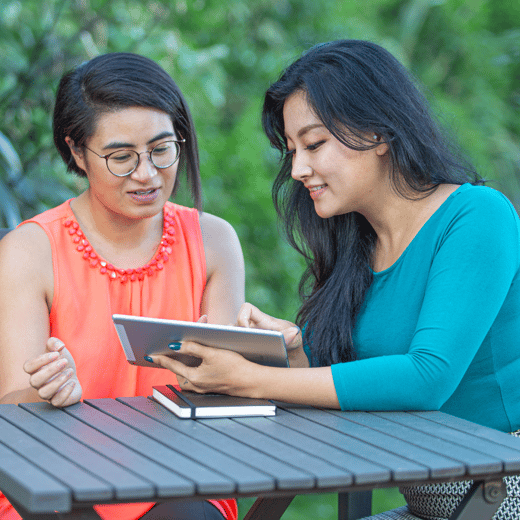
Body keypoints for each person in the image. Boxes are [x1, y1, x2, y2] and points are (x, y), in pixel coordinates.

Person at [148, 40, 520, 519]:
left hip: (500, 496)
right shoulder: (360, 243)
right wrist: (287, 350)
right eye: (292, 150)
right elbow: (349, 373)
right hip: (430, 502)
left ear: (379, 132)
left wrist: (254, 380)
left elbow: (427, 377)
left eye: (315, 144)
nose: (298, 169)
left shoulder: (476, 217)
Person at [0, 53, 244, 520]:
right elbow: (13, 408)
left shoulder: (214, 242)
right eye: (121, 157)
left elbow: (229, 399)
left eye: (161, 149)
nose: (147, 174)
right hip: (55, 476)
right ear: (76, 152)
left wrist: (233, 367)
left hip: (180, 480)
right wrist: (49, 390)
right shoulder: (29, 251)